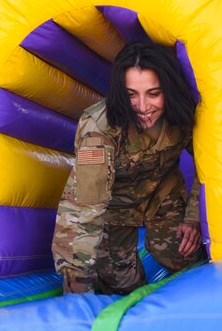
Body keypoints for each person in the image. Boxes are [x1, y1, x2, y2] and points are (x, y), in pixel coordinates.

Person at [52, 41, 204, 295]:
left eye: (154, 93)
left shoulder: (185, 112)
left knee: (184, 256)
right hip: (115, 209)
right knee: (123, 287)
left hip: (163, 198)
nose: (143, 107)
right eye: (132, 94)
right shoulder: (99, 130)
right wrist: (77, 287)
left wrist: (195, 218)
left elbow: (209, 163)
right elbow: (85, 207)